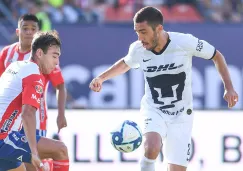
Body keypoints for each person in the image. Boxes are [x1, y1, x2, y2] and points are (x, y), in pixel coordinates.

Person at [89, 6, 238, 171]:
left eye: (144, 32)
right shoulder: (138, 49)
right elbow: (125, 64)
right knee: (151, 147)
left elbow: (216, 56)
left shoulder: (184, 42)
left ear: (159, 29)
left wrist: (229, 87)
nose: (140, 38)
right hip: (154, 109)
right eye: (137, 32)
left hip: (181, 115)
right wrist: (102, 78)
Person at [0, 14, 67, 170]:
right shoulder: (34, 74)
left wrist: (61, 114)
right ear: (39, 53)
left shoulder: (16, 66)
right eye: (54, 56)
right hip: (5, 138)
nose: (56, 62)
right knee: (61, 150)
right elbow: (28, 113)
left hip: (11, 133)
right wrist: (34, 152)